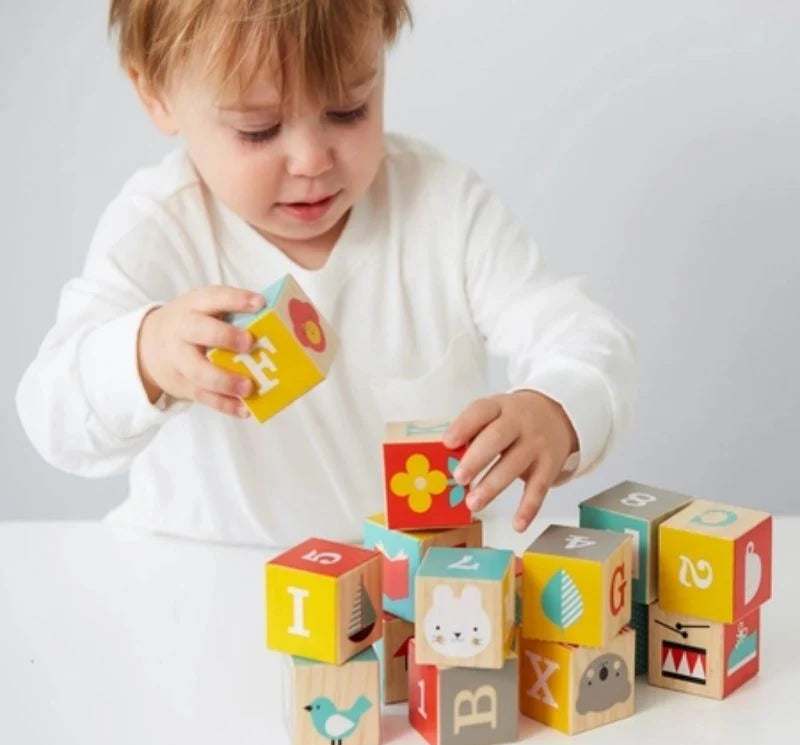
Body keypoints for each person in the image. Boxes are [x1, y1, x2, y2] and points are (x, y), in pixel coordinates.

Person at [16, 0, 637, 546]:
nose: (313, 160)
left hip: (405, 590)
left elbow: (579, 333)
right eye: (258, 131)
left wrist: (555, 405)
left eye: (349, 110)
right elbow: (54, 418)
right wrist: (146, 355)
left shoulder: (441, 205)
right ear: (155, 94)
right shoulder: (159, 229)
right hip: (198, 574)